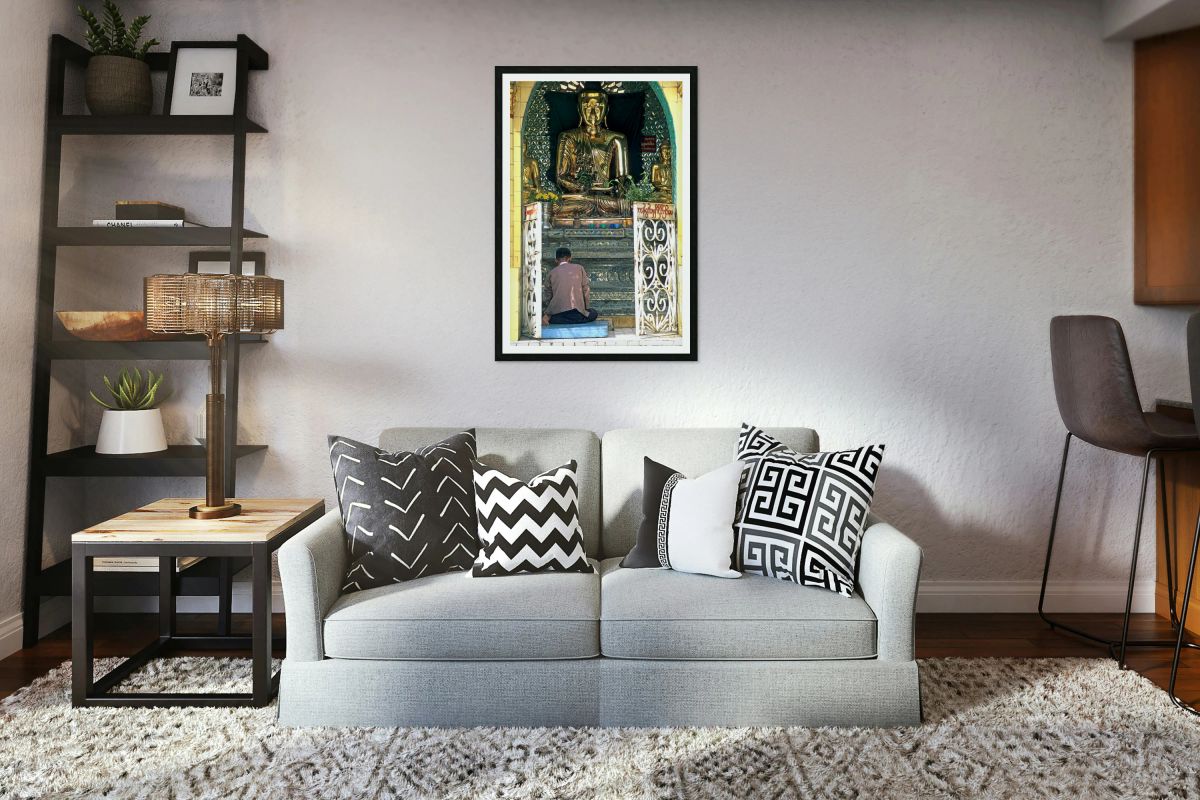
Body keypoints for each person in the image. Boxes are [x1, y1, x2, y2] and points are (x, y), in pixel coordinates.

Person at [543, 246, 599, 325]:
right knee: (594, 313)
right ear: (570, 258)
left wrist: (548, 313)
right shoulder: (579, 268)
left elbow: (547, 295)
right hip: (577, 315)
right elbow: (585, 290)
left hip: (558, 316)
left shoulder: (551, 273)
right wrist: (586, 309)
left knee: (553, 318)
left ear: (556, 260)